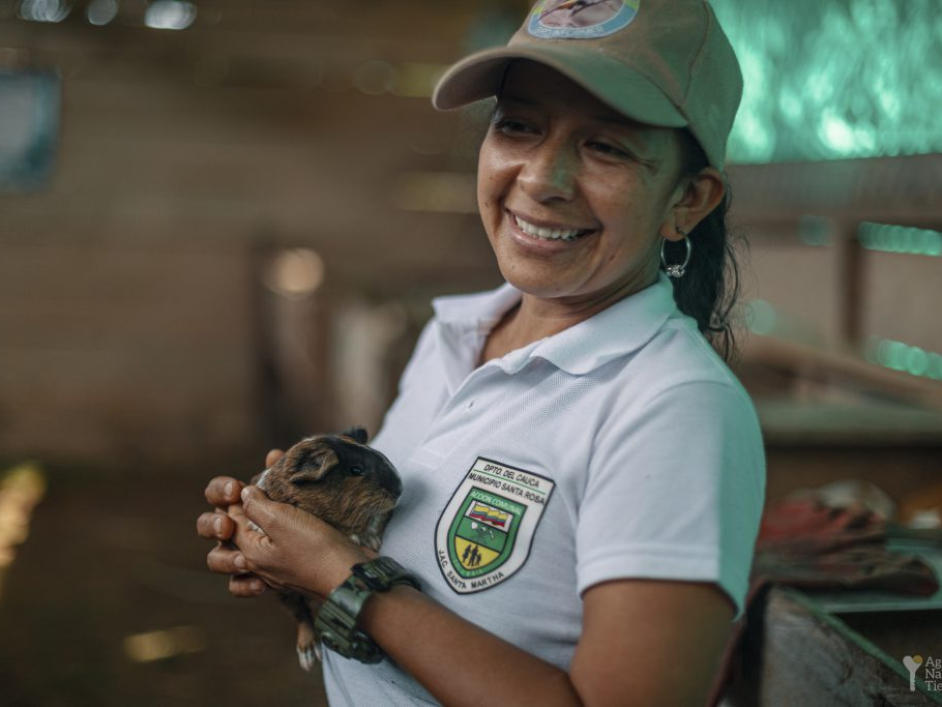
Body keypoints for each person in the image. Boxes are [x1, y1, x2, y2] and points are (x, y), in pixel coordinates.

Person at [197, 0, 766, 705]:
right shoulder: (452, 335)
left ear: (689, 200)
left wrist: (344, 579)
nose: (542, 179)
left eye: (607, 147)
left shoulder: (674, 408)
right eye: (518, 126)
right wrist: (298, 533)